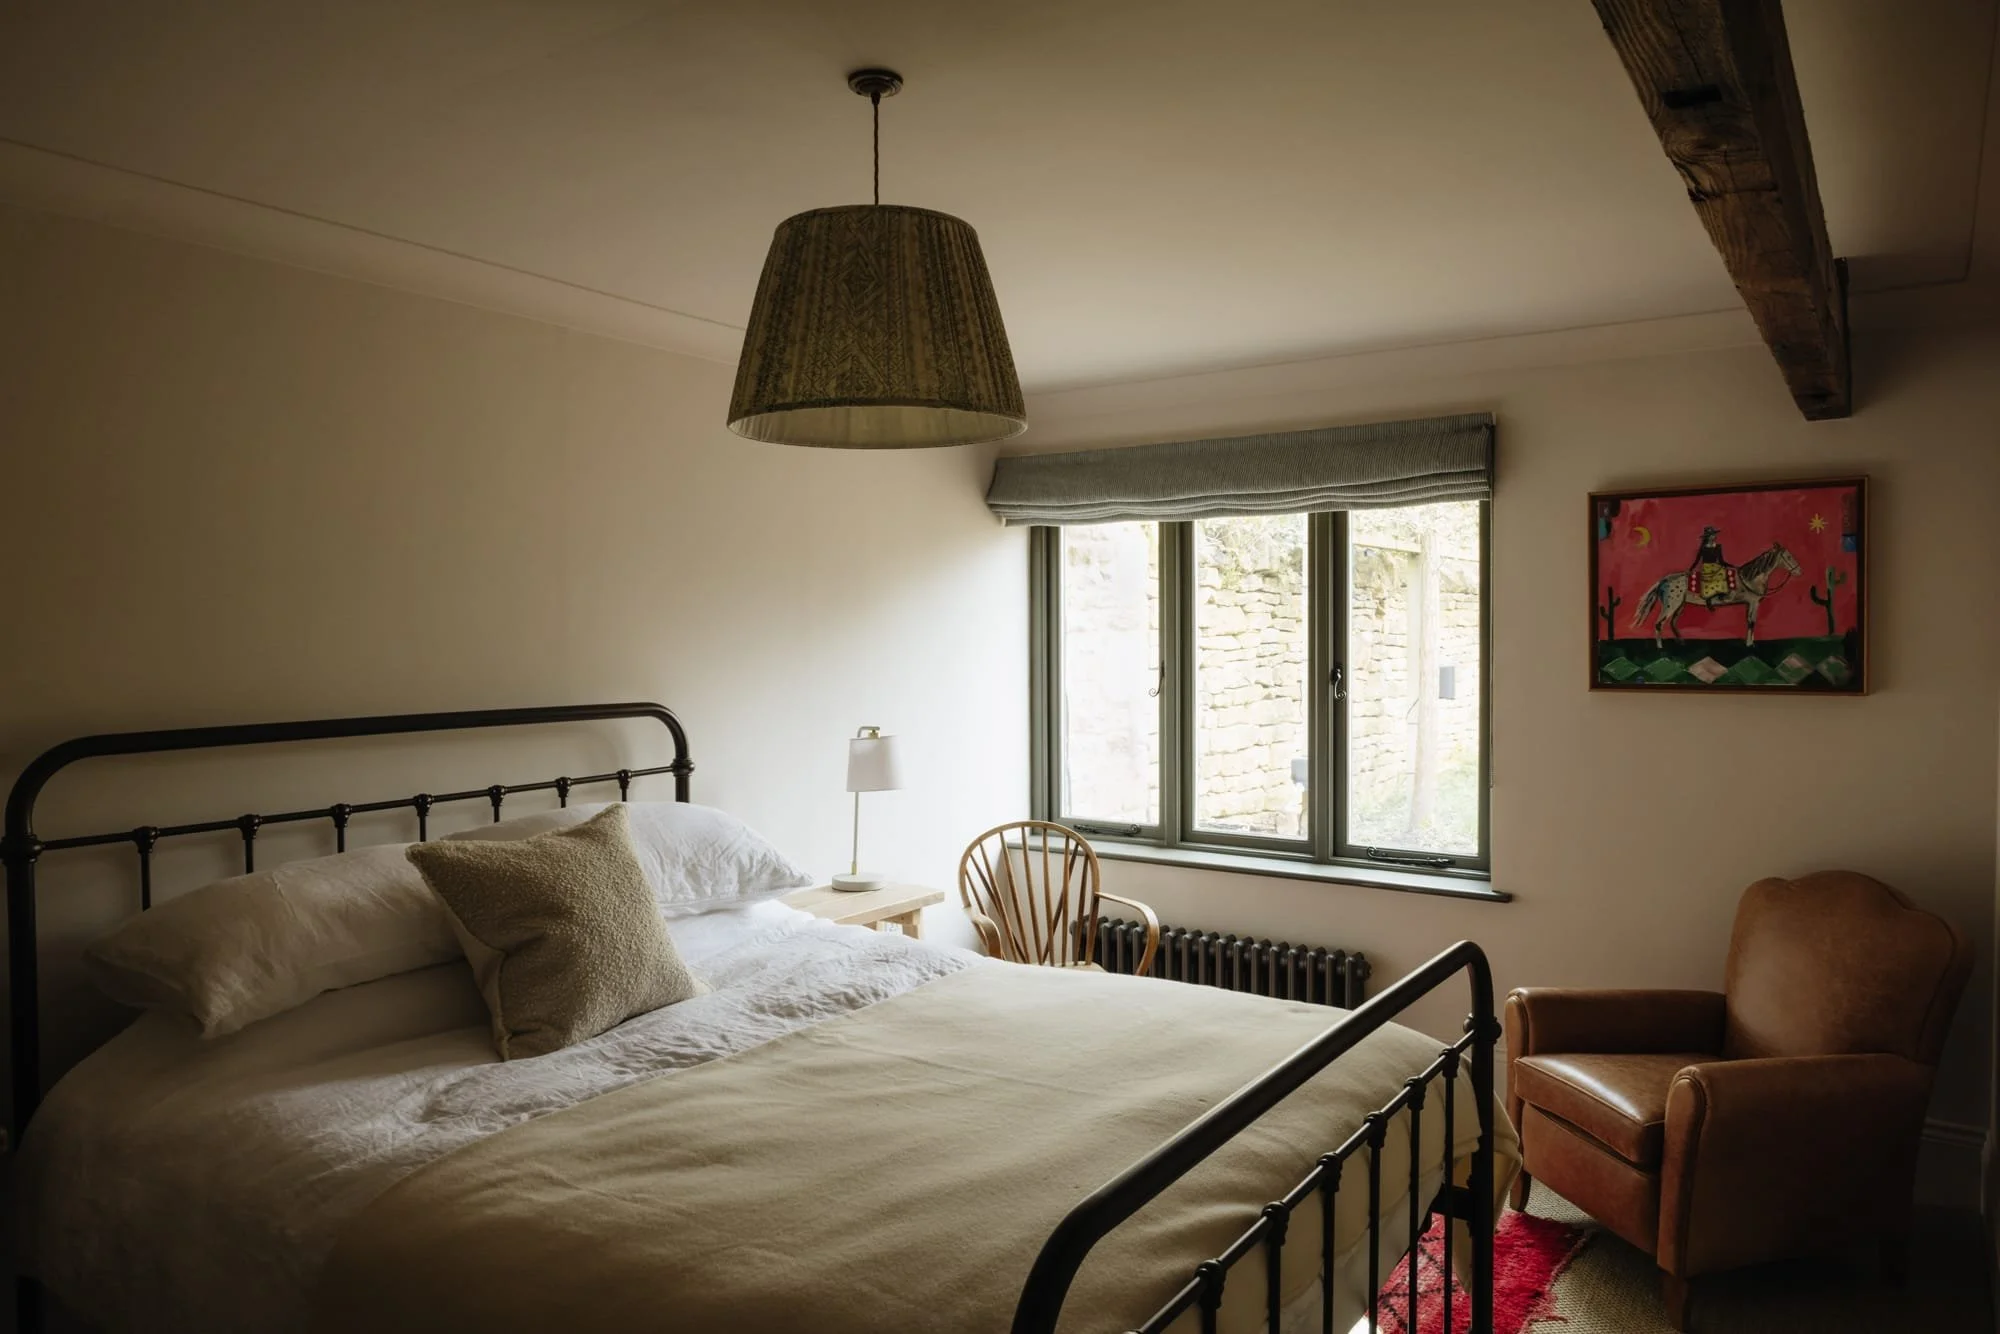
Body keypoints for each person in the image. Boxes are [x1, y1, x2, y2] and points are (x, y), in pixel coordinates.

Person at [1689, 526, 1731, 602]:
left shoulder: (1718, 547)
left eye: (1714, 534)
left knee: (1722, 572)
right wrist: (1690, 569)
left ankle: (1720, 594)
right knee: (1707, 580)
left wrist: (1731, 566)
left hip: (1715, 567)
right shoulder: (1703, 548)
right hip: (1706, 568)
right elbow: (1697, 560)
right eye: (1712, 535)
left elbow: (1721, 561)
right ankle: (1708, 597)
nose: (1714, 536)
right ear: (1708, 537)